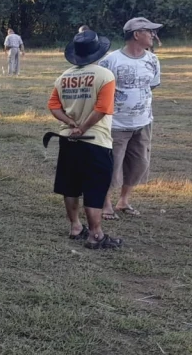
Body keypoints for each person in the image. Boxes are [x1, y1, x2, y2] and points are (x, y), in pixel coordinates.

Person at [48, 30, 123, 249]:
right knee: (95, 187)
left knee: (70, 186)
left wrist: (70, 123)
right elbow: (102, 109)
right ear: (98, 52)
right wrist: (83, 128)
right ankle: (96, 235)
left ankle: (75, 227)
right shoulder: (105, 76)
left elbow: (53, 106)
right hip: (95, 140)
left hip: (67, 139)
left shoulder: (64, 77)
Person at [99, 17, 162, 221]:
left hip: (143, 122)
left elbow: (152, 85)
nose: (153, 35)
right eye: (149, 31)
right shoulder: (110, 60)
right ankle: (105, 203)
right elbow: (100, 89)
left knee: (139, 163)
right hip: (116, 123)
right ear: (136, 34)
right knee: (112, 165)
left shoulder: (152, 59)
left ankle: (124, 201)